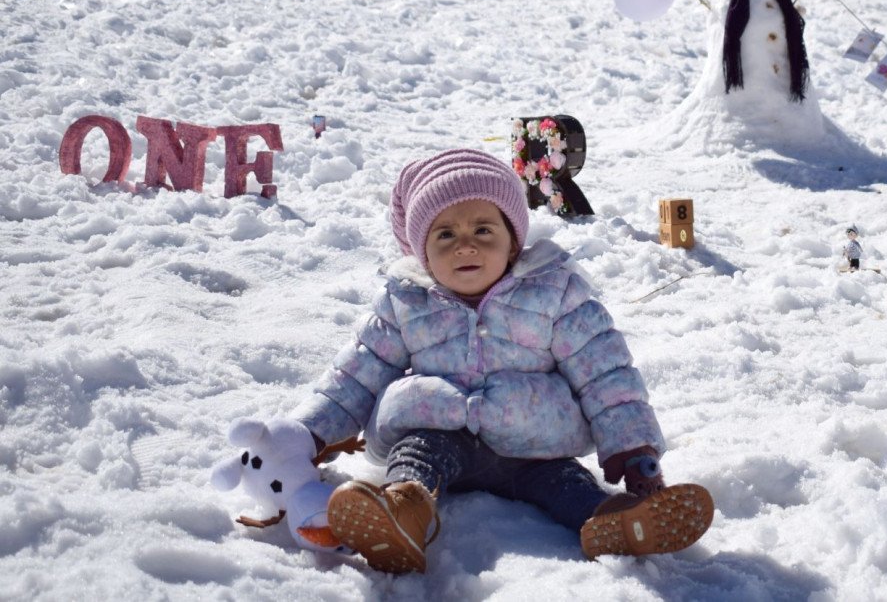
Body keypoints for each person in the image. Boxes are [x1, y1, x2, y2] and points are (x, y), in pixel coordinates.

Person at [284, 149, 713, 574]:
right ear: (423, 254)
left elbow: (605, 373)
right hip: (440, 430)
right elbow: (357, 374)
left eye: (484, 230)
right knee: (414, 455)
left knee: (568, 484)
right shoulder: (405, 302)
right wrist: (307, 435)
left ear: (512, 244)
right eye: (445, 235)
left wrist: (634, 448)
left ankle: (614, 521)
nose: (465, 246)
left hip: (536, 446)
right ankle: (401, 514)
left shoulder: (555, 292)